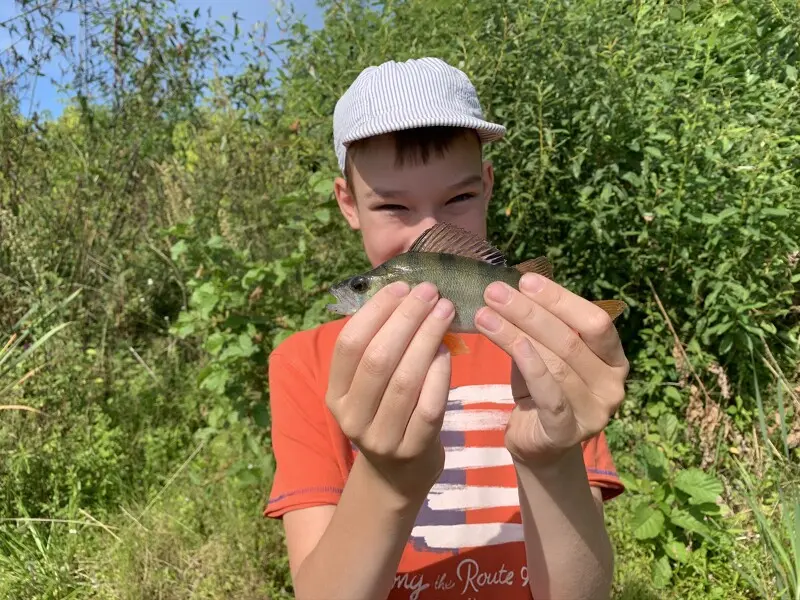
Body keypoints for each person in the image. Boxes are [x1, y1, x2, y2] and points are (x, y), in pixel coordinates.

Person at [264, 57, 627, 600]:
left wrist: (551, 460)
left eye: (457, 198)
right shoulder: (302, 366)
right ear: (348, 203)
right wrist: (387, 477)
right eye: (391, 205)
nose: (428, 231)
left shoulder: (549, 359)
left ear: (486, 184)